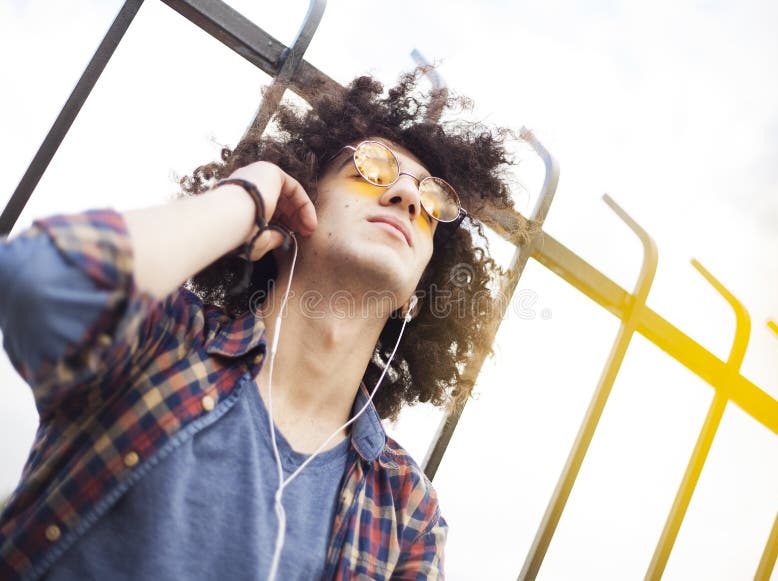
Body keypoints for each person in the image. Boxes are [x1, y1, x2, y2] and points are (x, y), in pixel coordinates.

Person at [0, 68, 516, 580]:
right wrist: (245, 197)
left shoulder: (407, 511)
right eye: (372, 167)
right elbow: (33, 283)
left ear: (416, 301)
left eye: (430, 202)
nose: (405, 198)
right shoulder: (165, 337)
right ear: (295, 208)